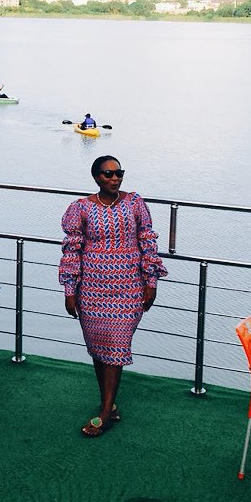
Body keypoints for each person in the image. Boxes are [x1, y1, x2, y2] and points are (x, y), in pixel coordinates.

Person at [59, 155, 168, 437]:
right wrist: (70, 290)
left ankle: (105, 413)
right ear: (96, 177)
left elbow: (147, 241)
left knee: (116, 347)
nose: (115, 178)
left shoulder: (135, 203)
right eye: (108, 174)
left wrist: (151, 282)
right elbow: (72, 250)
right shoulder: (80, 208)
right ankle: (109, 403)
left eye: (119, 173)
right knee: (98, 347)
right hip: (91, 290)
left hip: (128, 288)